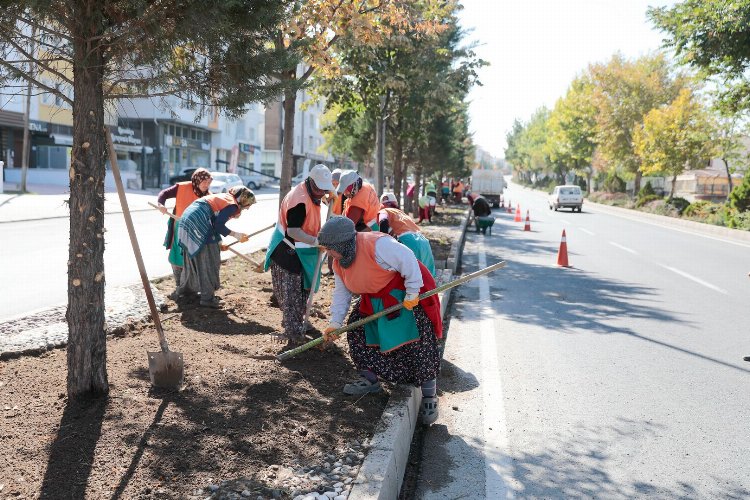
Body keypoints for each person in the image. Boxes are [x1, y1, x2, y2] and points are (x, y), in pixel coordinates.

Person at [319, 217, 442, 424]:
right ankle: (370, 379)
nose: (328, 254)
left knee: (418, 343)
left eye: (331, 249)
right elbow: (342, 294)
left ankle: (430, 397)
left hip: (402, 295)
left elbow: (408, 260)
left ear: (343, 244)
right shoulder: (339, 262)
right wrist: (335, 323)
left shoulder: (378, 245)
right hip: (373, 299)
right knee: (357, 332)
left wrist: (412, 293)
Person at [263, 164, 335, 343]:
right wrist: (316, 241)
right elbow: (294, 231)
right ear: (311, 182)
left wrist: (327, 196)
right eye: (320, 189)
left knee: (302, 289)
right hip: (286, 251)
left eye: (325, 189)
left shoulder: (312, 192)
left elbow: (320, 199)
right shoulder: (300, 200)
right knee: (291, 294)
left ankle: (299, 320)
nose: (322, 193)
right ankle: (293, 331)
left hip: (299, 250)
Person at [178, 186, 256, 308]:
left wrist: (219, 242)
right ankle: (207, 298)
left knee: (197, 258)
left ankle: (187, 291)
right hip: (199, 222)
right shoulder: (232, 204)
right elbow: (218, 225)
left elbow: (214, 223)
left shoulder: (225, 198)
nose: (248, 208)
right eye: (248, 204)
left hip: (188, 221)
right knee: (210, 259)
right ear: (243, 199)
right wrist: (236, 235)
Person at [156, 168, 212, 298]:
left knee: (194, 257)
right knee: (178, 255)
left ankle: (191, 287)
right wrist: (161, 204)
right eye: (204, 182)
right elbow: (163, 194)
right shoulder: (182, 187)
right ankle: (179, 285)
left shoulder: (208, 195)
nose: (206, 185)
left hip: (197, 231)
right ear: (197, 180)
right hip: (180, 227)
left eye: (209, 182)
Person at [378, 193, 436, 275]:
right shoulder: (401, 214)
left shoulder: (384, 211)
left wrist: (382, 243)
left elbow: (383, 221)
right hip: (423, 241)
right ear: (396, 203)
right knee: (426, 276)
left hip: (409, 242)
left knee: (409, 277)